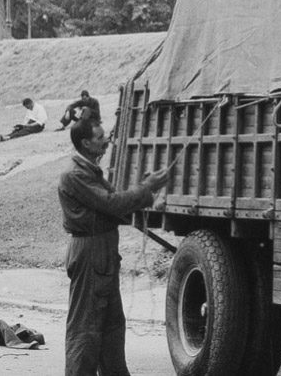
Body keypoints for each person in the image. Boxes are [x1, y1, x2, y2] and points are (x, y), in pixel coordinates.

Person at [59, 111, 170, 375]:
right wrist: (146, 188)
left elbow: (113, 207)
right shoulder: (75, 175)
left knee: (111, 326)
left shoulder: (89, 171)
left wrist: (148, 199)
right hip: (90, 254)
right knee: (86, 328)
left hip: (102, 253)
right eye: (100, 137)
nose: (107, 140)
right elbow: (112, 204)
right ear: (86, 143)